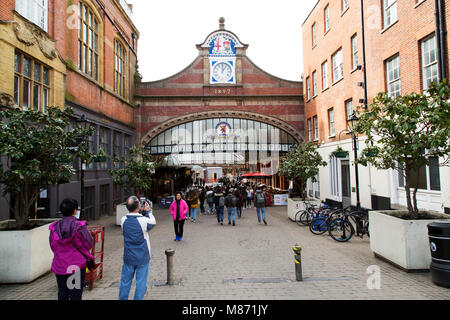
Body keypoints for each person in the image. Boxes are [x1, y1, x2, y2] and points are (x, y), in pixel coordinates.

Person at [49, 198, 94, 300]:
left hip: (59, 264)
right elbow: (88, 243)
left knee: (62, 292)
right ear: (74, 211)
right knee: (75, 293)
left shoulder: (55, 227)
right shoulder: (79, 226)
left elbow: (52, 245)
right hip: (75, 264)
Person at [119, 196, 156, 300]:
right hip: (142, 256)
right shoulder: (143, 221)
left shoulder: (123, 220)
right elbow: (153, 222)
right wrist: (149, 211)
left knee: (125, 282)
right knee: (141, 283)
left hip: (128, 256)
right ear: (139, 206)